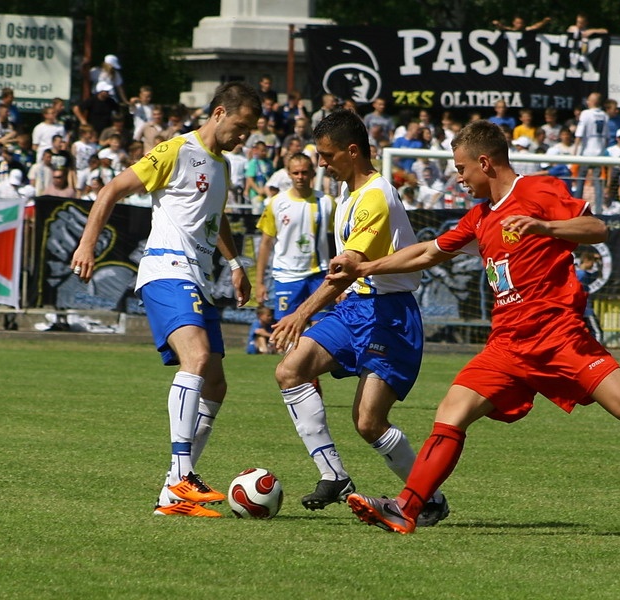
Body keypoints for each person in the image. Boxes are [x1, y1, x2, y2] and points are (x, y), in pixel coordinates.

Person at [330, 119, 620, 534]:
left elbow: (596, 228)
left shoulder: (537, 189)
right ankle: (407, 509)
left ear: (485, 163)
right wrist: (364, 266)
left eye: (461, 168)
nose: (457, 177)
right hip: (507, 345)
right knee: (451, 412)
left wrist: (545, 225)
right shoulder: (480, 217)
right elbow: (426, 253)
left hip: (559, 337)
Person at [70, 81, 262, 518]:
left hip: (199, 278)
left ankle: (170, 497)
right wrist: (87, 244)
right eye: (241, 126)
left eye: (250, 130)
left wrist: (234, 265)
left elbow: (217, 217)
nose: (244, 137)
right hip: (165, 270)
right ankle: (180, 474)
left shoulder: (223, 165)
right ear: (218, 113)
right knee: (195, 359)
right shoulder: (176, 150)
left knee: (215, 383)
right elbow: (111, 190)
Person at [267, 109, 450, 526]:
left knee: (368, 423)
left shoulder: (376, 196)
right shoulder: (348, 197)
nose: (321, 164)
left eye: (327, 155)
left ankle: (431, 501)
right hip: (354, 308)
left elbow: (347, 267)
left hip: (389, 315)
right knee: (290, 370)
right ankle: (333, 475)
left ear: (353, 151)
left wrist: (301, 313)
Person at [255, 153, 334, 327]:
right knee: (286, 330)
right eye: (296, 173)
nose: (300, 177)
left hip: (319, 274)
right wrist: (259, 282)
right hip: (287, 275)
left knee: (321, 329)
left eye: (304, 172)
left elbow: (341, 239)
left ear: (313, 173)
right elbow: (265, 243)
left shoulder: (327, 202)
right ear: (288, 174)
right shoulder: (276, 203)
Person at [572, 92, 609, 204]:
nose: (587, 102)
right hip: (599, 153)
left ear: (593, 101)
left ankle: (577, 204)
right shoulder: (605, 115)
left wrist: (575, 150)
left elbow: (579, 133)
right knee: (597, 182)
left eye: (588, 100)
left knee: (581, 180)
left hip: (586, 153)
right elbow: (607, 137)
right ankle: (598, 207)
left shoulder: (585, 114)